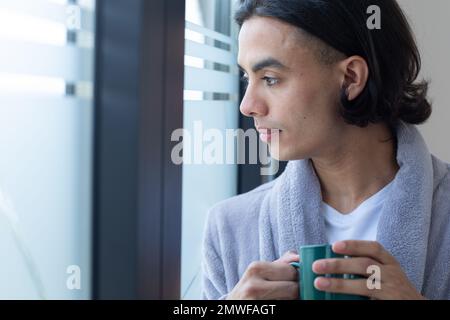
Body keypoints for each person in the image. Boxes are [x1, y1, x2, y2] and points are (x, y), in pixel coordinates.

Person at [201, 0, 450, 300]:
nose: (248, 105)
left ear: (351, 78)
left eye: (270, 78)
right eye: (246, 78)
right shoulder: (228, 229)